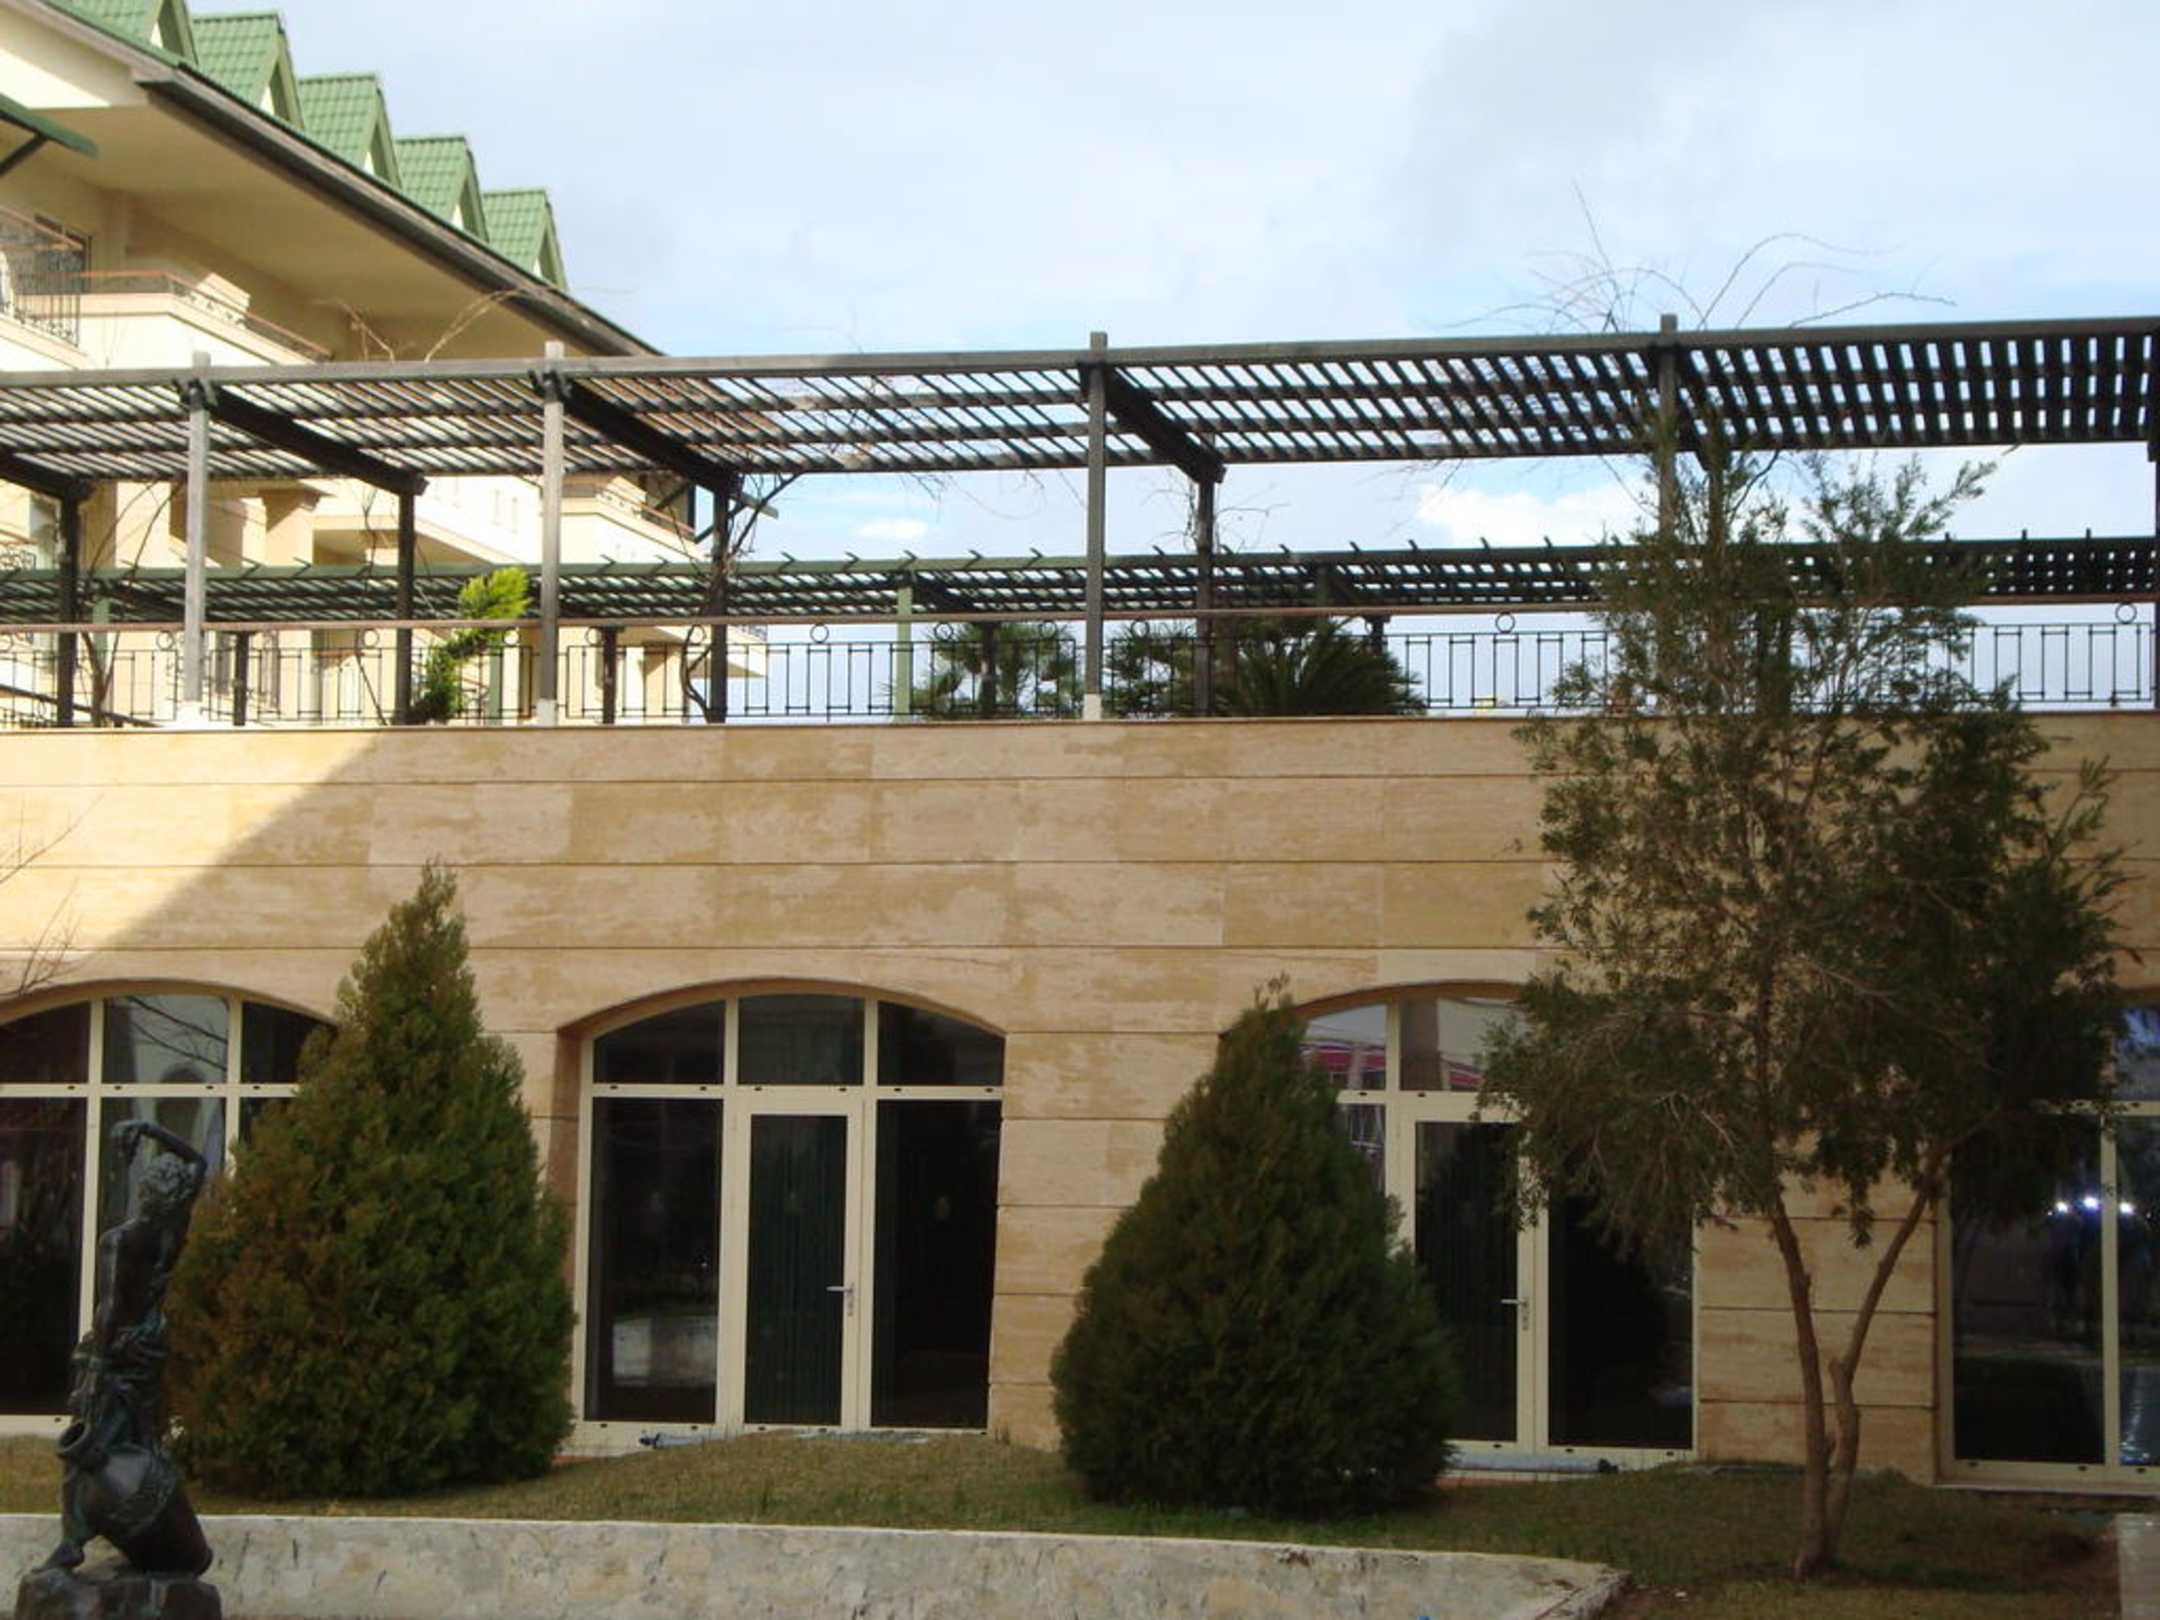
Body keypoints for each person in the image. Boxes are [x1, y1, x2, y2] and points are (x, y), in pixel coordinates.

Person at [41, 1119, 209, 1575]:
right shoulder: (174, 1228)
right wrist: (149, 1129)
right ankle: (153, 1541)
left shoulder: (120, 1240)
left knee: (85, 1446)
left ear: (146, 1192)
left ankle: (72, 1542)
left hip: (117, 1352)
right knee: (142, 1443)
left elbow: (111, 1307)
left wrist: (96, 1361)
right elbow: (199, 1161)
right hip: (150, 1345)